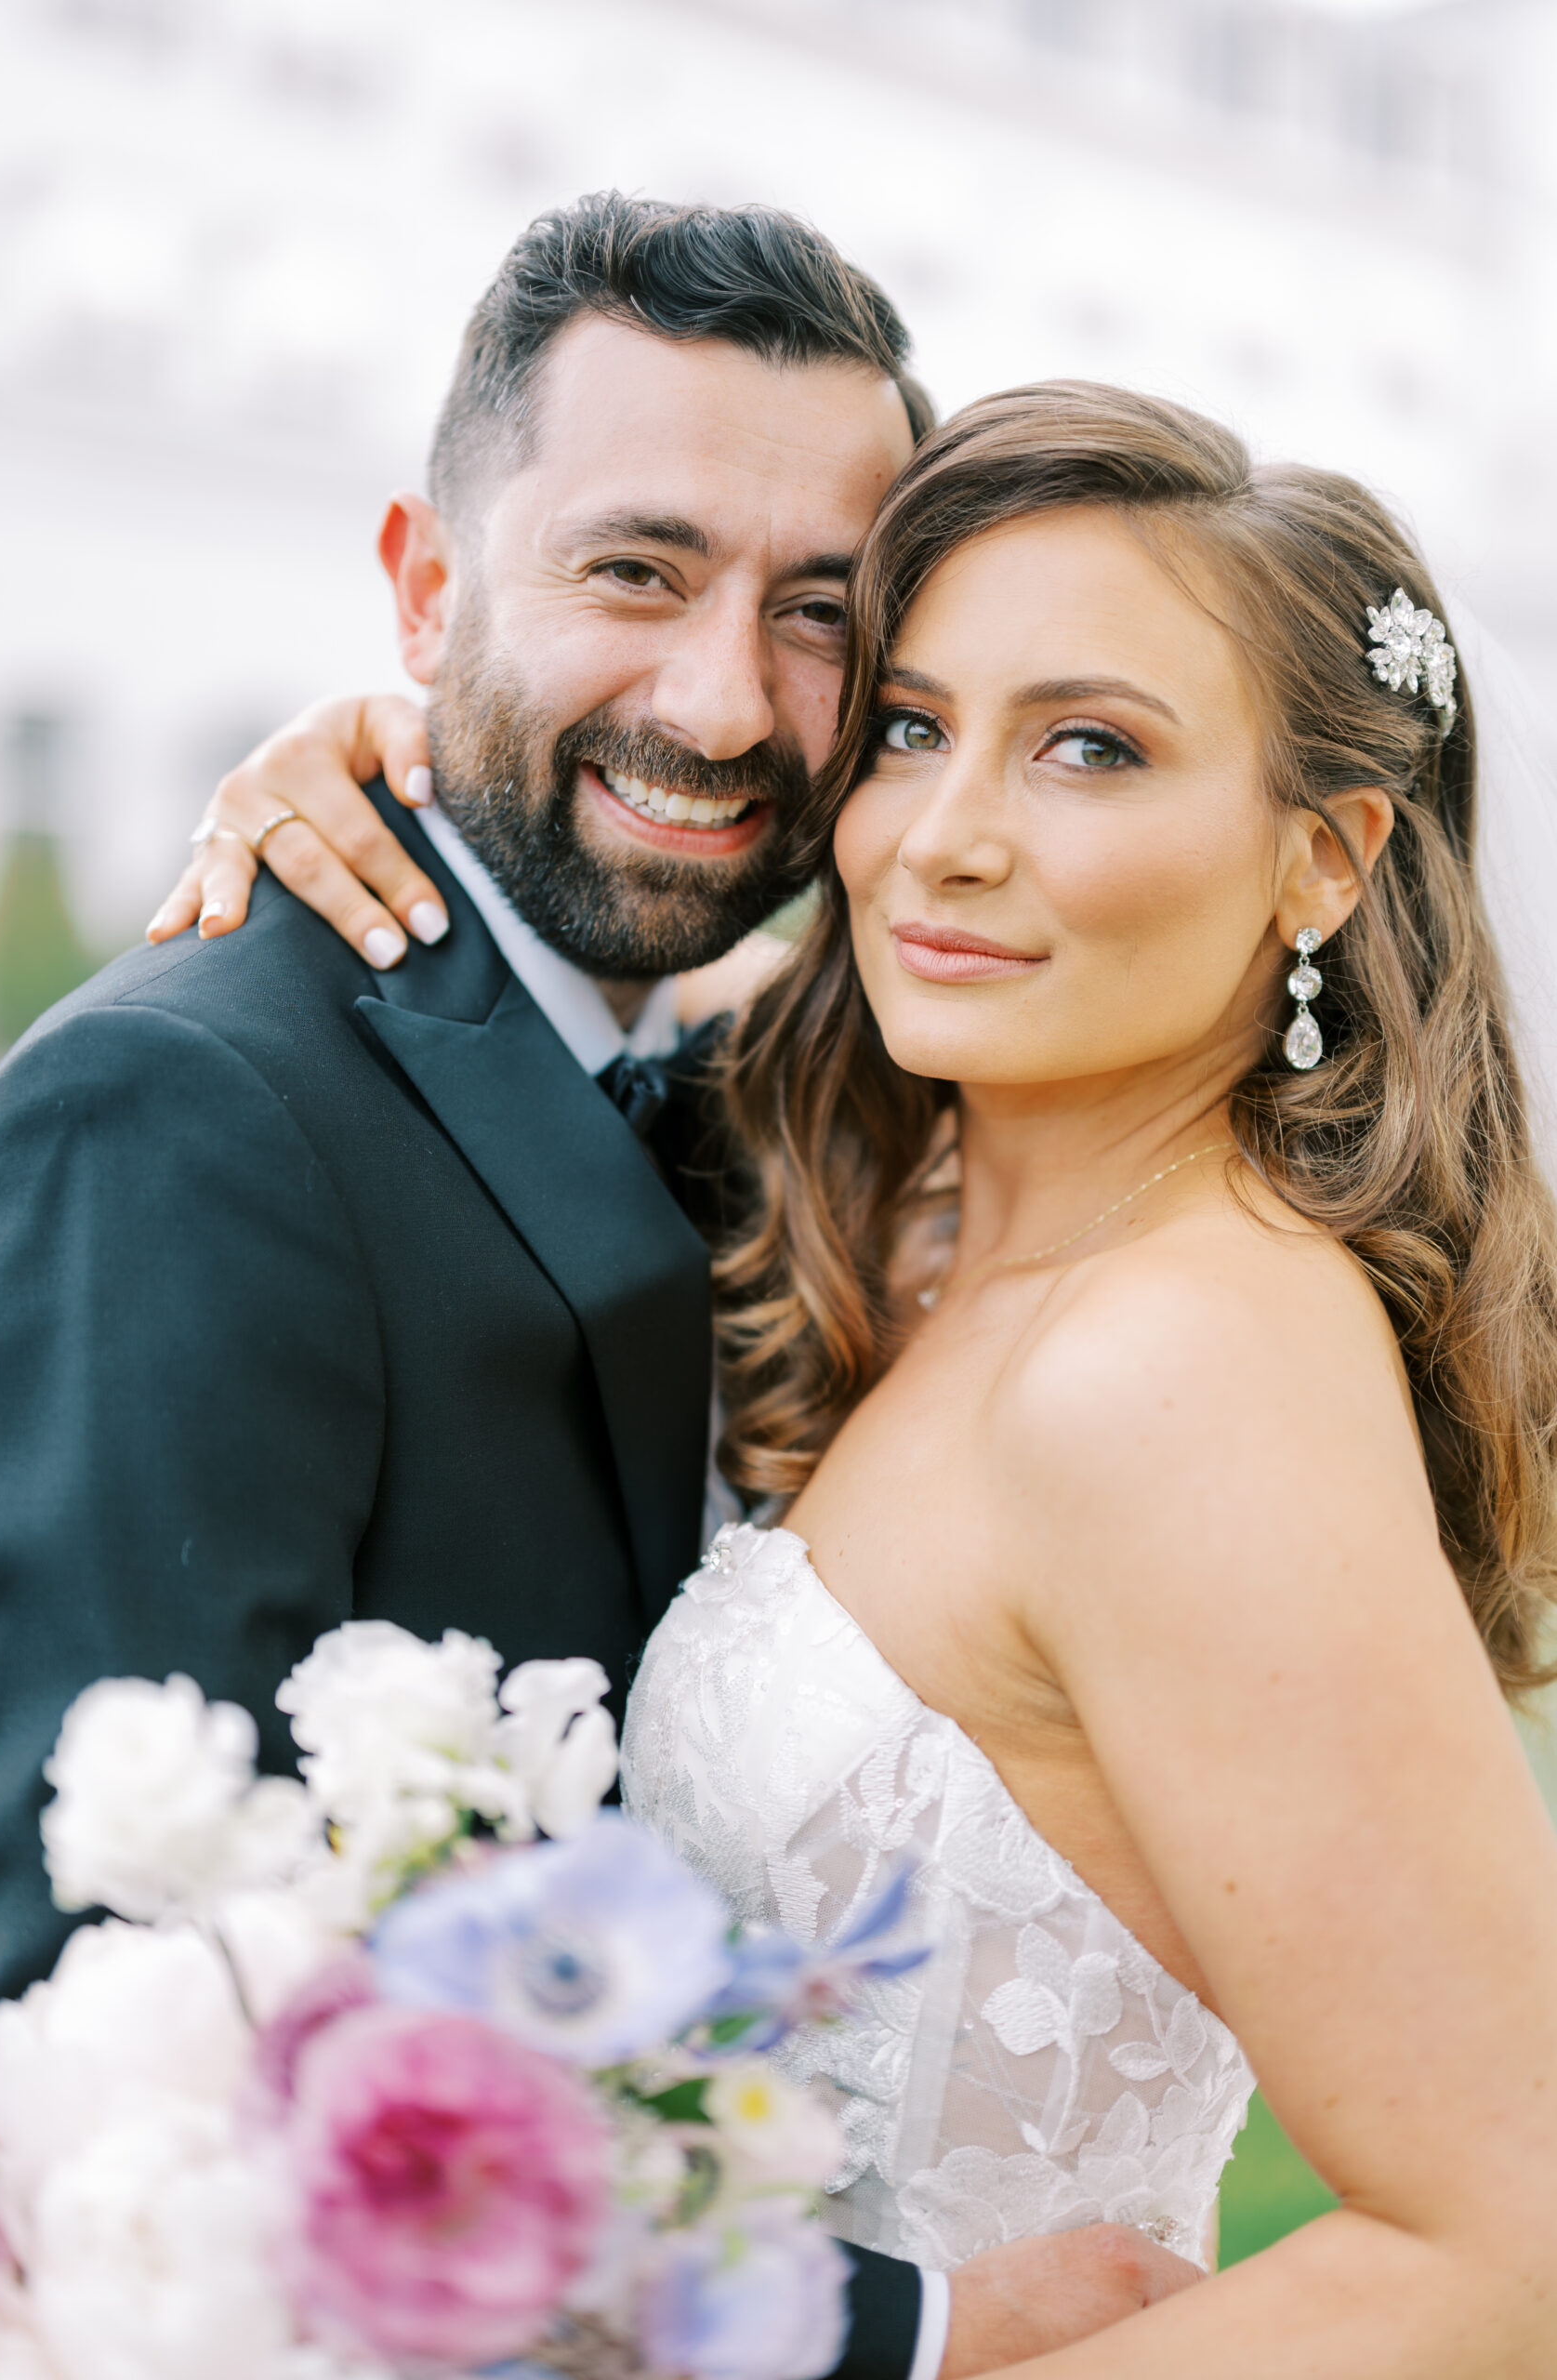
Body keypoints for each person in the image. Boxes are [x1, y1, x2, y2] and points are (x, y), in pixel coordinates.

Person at [188, 381, 1557, 2371]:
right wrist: (382, 762)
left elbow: (1507, 2245)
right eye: (910, 727)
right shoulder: (924, 1225)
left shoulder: (1181, 1368)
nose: (943, 835)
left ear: (1325, 857)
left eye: (1090, 746)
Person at [0, 198, 1198, 2375]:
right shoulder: (181, 1116)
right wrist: (900, 2332)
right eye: (634, 570)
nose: (723, 698)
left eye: (816, 616)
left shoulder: (793, 1089)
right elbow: (106, 2028)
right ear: (429, 585)